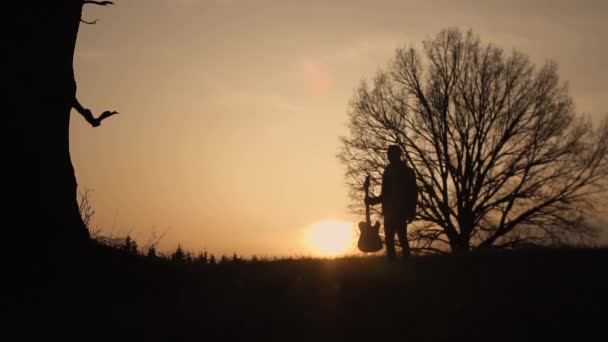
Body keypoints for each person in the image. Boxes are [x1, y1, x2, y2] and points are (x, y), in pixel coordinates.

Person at [365, 145, 418, 260]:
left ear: (397, 155)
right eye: (388, 155)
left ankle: (406, 265)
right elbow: (386, 194)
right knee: (390, 241)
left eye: (391, 154)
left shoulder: (407, 172)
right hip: (389, 211)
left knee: (402, 239)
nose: (389, 157)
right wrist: (373, 201)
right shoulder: (388, 171)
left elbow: (413, 193)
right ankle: (393, 265)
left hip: (400, 211)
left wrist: (411, 211)